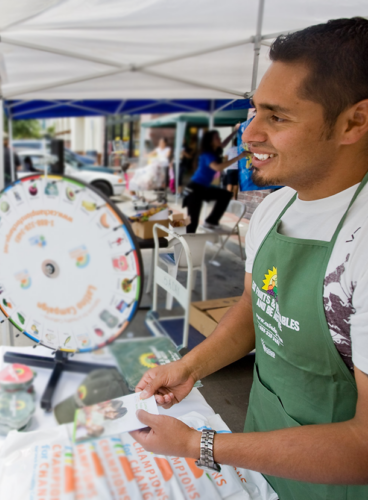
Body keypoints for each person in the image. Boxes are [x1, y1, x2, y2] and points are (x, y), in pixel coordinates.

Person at [130, 17, 368, 499]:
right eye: (254, 110)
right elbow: (254, 308)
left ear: (354, 123)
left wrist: (201, 445)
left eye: (277, 117)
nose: (249, 134)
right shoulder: (275, 206)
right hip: (261, 452)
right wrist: (192, 365)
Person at [184, 129, 249, 233]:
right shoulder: (207, 154)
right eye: (216, 138)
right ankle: (187, 243)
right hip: (195, 189)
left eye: (219, 137)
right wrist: (239, 157)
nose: (220, 139)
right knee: (193, 221)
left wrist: (234, 132)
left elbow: (224, 143)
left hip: (202, 188)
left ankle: (211, 221)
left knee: (225, 195)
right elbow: (217, 167)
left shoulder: (214, 151)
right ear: (210, 141)